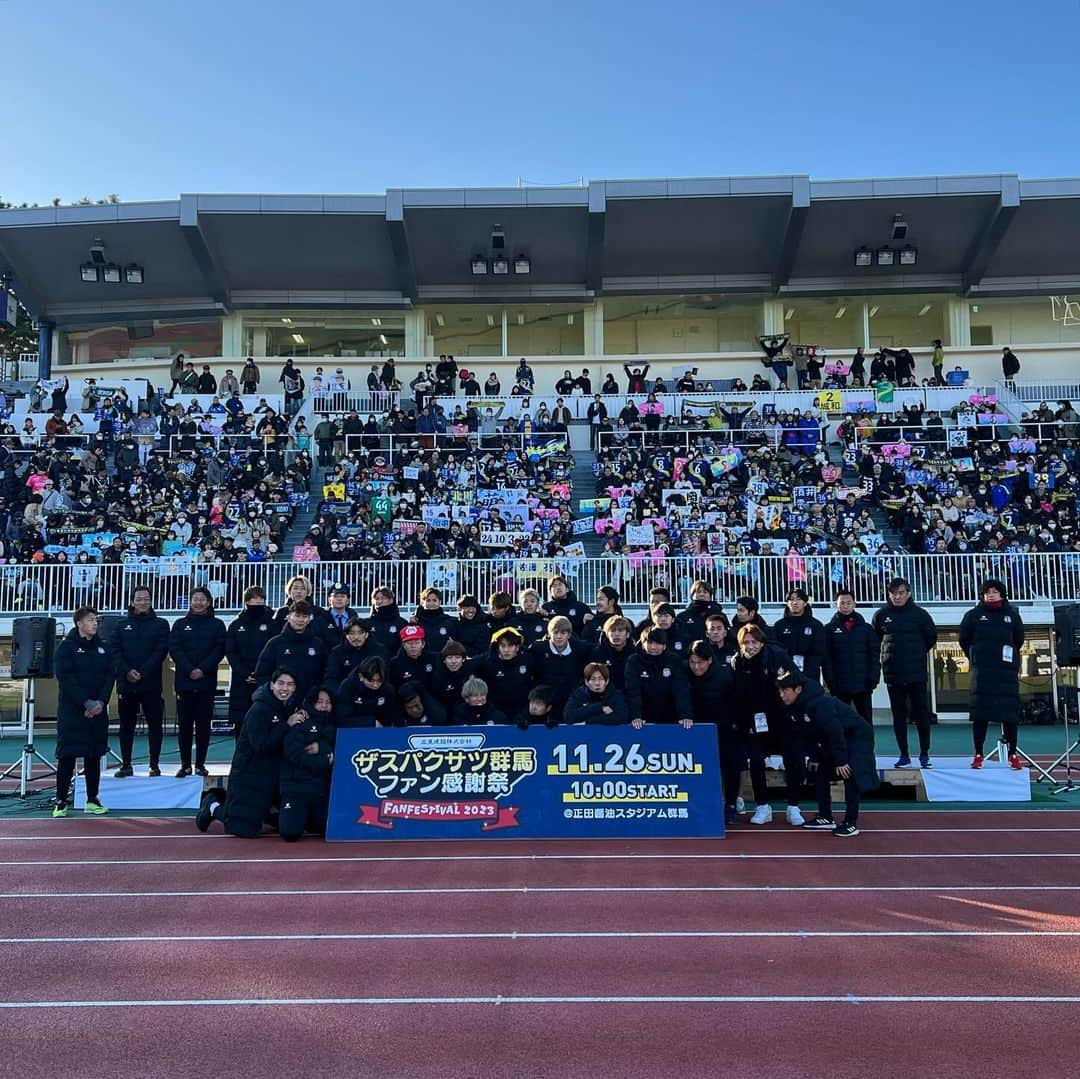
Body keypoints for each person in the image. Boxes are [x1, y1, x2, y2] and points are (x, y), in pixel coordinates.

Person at [197, 669, 303, 836]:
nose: (285, 688)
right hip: (249, 773)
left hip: (273, 775)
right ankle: (212, 805)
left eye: (290, 684)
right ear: (271, 685)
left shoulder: (288, 707)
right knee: (242, 830)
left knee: (285, 824)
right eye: (281, 683)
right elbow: (261, 745)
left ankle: (261, 813)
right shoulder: (259, 710)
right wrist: (286, 725)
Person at [777, 673, 877, 837]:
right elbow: (809, 734)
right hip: (838, 739)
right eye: (780, 691)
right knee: (820, 771)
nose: (782, 695)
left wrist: (842, 760)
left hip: (857, 736)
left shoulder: (821, 703)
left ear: (798, 689)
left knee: (849, 773)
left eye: (785, 691)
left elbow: (834, 732)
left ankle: (850, 822)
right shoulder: (795, 707)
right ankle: (825, 816)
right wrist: (815, 757)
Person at [729, 624, 795, 826]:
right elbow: (737, 693)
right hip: (754, 719)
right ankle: (762, 806)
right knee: (756, 760)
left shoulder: (778, 656)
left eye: (754, 642)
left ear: (761, 642)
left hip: (780, 715)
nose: (750, 646)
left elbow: (793, 682)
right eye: (746, 642)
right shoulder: (737, 662)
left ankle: (794, 806)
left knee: (792, 759)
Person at [52, 606, 115, 817]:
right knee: (67, 756)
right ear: (79, 624)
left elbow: (109, 676)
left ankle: (92, 799)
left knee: (93, 755)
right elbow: (65, 678)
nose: (95, 623)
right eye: (90, 620)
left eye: (96, 620)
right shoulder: (66, 648)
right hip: (73, 712)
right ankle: (61, 801)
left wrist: (100, 703)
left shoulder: (104, 648)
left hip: (97, 711)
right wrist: (85, 702)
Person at [958, 579, 1026, 770]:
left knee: (1010, 715)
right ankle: (979, 753)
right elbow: (964, 640)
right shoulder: (973, 616)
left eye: (995, 591)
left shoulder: (1011, 616)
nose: (991, 594)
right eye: (988, 591)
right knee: (981, 714)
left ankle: (1013, 754)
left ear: (1002, 595)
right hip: (983, 673)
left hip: (1006, 674)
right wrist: (977, 657)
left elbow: (1018, 640)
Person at [872, 577, 937, 769]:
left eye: (901, 593)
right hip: (893, 674)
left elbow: (930, 638)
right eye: (893, 593)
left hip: (916, 673)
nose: (897, 596)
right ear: (889, 595)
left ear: (908, 593)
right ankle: (904, 754)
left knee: (921, 714)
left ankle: (924, 753)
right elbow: (875, 642)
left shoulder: (921, 615)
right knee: (898, 716)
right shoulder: (881, 615)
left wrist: (915, 654)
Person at [109, 586, 170, 777]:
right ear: (132, 601)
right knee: (127, 726)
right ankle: (126, 764)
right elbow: (115, 651)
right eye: (139, 599)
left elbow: (160, 652)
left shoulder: (161, 624)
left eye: (146, 599)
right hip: (127, 685)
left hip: (151, 683)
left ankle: (154, 764)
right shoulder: (121, 625)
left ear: (151, 601)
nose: (142, 602)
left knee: (155, 724)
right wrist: (128, 671)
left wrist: (142, 672)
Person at [169, 587, 227, 778]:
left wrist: (202, 669)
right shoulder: (179, 624)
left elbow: (219, 650)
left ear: (209, 602)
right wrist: (189, 669)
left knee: (203, 725)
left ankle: (200, 764)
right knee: (185, 725)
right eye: (195, 599)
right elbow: (175, 649)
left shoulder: (217, 625)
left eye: (203, 599)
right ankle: (185, 764)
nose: (199, 602)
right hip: (184, 683)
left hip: (206, 682)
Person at [686, 641, 744, 825]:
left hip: (724, 728)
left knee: (730, 768)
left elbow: (737, 701)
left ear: (709, 660)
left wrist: (735, 725)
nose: (696, 666)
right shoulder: (685, 674)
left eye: (700, 662)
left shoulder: (725, 675)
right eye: (693, 662)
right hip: (695, 730)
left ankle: (731, 805)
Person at [277, 685, 336, 841]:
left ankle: (306, 818)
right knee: (290, 834)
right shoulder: (299, 723)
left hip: (321, 792)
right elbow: (295, 757)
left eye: (328, 702)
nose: (324, 705)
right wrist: (325, 760)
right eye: (320, 702)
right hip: (296, 788)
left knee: (330, 829)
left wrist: (323, 748)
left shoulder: (335, 725)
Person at [822, 590, 880, 725]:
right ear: (836, 604)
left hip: (863, 684)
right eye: (842, 603)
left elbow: (874, 655)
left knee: (865, 721)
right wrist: (830, 681)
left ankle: (867, 746)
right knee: (841, 722)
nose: (846, 606)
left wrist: (873, 678)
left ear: (854, 604)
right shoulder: (829, 629)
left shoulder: (866, 629)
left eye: (849, 603)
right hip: (839, 685)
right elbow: (826, 658)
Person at [255, 600, 329, 704]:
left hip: (310, 702)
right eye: (297, 616)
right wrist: (275, 695)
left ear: (309, 619)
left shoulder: (317, 644)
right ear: (289, 617)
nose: (300, 620)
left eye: (304, 616)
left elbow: (326, 673)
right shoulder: (275, 643)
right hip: (281, 703)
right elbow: (262, 674)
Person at [225, 586, 276, 735]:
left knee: (265, 723)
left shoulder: (272, 624)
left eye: (261, 600)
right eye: (254, 600)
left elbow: (274, 652)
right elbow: (231, 652)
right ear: (246, 602)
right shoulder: (235, 625)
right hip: (241, 682)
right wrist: (244, 673)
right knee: (241, 726)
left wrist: (261, 674)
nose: (258, 603)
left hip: (265, 682)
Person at [624, 627, 693, 728]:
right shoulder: (633, 661)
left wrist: (685, 715)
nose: (653, 647)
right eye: (649, 643)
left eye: (657, 643)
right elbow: (633, 691)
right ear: (643, 644)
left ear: (664, 645)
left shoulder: (674, 660)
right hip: (643, 719)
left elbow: (681, 689)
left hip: (670, 716)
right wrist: (636, 716)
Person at [772, 588, 826, 682]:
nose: (795, 602)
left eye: (798, 599)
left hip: (809, 674)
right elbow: (776, 649)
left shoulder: (816, 625)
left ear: (805, 603)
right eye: (791, 599)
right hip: (786, 674)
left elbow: (819, 651)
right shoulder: (779, 625)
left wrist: (810, 668)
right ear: (787, 603)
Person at [337, 656, 400, 728]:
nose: (375, 685)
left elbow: (391, 717)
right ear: (361, 677)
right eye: (371, 681)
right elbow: (342, 720)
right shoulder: (348, 687)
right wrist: (371, 723)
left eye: (379, 681)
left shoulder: (388, 690)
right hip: (354, 732)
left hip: (380, 732)